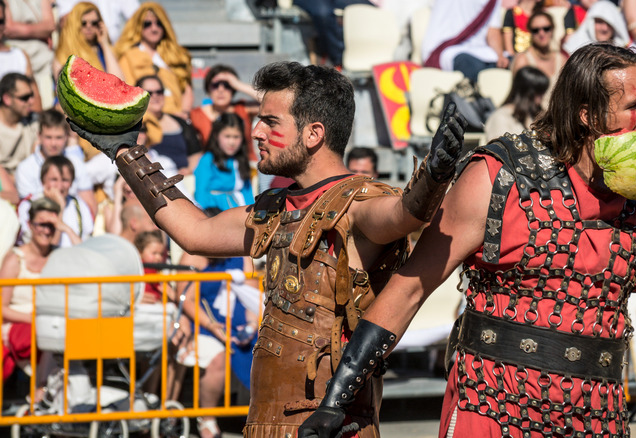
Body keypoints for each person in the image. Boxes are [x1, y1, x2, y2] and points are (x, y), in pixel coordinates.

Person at [299, 43, 636, 438]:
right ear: (588, 116)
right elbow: (410, 287)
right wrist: (337, 397)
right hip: (493, 408)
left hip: (597, 417)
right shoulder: (503, 176)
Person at [68, 61, 467, 436]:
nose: (256, 132)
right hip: (264, 420)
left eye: (270, 122)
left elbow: (401, 214)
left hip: (330, 425)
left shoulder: (358, 202)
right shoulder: (275, 207)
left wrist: (433, 175)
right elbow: (195, 233)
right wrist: (125, 152)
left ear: (314, 134)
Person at [173, 208, 260, 438]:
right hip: (203, 321)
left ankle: (262, 417)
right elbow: (185, 298)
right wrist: (214, 327)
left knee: (268, 350)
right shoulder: (193, 255)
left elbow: (252, 296)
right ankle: (207, 419)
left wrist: (251, 326)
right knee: (218, 358)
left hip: (241, 321)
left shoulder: (239, 254)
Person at [0, 196, 58, 380]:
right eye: (41, 224)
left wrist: (66, 229)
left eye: (51, 226)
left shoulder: (59, 257)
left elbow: (84, 259)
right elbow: (1, 307)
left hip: (49, 324)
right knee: (49, 333)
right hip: (19, 324)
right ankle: (40, 391)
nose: (46, 230)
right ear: (30, 225)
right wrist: (32, 318)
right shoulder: (15, 259)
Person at [114, 2, 192, 116]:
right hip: (145, 121)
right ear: (138, 27)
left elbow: (187, 90)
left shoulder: (175, 56)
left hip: (177, 118)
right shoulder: (128, 57)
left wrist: (184, 115)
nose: (154, 28)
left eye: (159, 23)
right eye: (147, 24)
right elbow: (126, 95)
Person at [15, 109, 96, 215]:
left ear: (67, 136)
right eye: (48, 137)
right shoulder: (25, 169)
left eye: (59, 137)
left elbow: (90, 207)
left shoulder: (76, 163)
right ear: (39, 136)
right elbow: (28, 211)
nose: (53, 143)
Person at [422, 0, 508, 83]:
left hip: (481, 51)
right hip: (446, 49)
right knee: (473, 67)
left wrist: (500, 56)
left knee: (511, 63)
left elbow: (493, 32)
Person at [18, 156, 93, 247]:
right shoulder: (28, 206)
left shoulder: (79, 206)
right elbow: (46, 249)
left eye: (65, 180)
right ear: (43, 181)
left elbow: (85, 246)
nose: (59, 186)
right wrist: (59, 207)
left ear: (71, 182)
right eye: (54, 179)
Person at [189, 64, 259, 160]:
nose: (221, 90)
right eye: (215, 85)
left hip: (245, 169)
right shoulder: (196, 114)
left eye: (227, 85)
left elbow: (271, 101)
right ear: (208, 88)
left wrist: (238, 84)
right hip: (213, 170)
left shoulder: (243, 108)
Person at [136, 74, 201, 175]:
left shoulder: (180, 122)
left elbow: (195, 153)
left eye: (159, 92)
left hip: (183, 181)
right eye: (149, 93)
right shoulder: (135, 126)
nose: (155, 96)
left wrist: (190, 170)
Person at [194, 113, 254, 211]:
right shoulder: (208, 159)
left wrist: (253, 212)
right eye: (227, 136)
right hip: (216, 211)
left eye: (236, 137)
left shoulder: (240, 159)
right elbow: (201, 193)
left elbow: (247, 192)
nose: (232, 142)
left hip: (241, 209)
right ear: (216, 135)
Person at [2, 0, 54, 109]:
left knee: (46, 106)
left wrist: (23, 29)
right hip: (18, 59)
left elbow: (50, 25)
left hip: (44, 63)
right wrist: (41, 33)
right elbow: (8, 28)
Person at [53, 1, 125, 80]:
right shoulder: (63, 54)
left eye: (94, 23)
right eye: (83, 23)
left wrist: (105, 44)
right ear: (74, 24)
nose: (89, 26)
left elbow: (119, 81)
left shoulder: (103, 50)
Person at [510, 11, 567, 108]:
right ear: (530, 32)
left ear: (553, 29)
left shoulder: (562, 60)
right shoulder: (523, 60)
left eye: (546, 28)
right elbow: (519, 98)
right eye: (535, 30)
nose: (541, 33)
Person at [483, 65, 548, 140]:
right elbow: (497, 148)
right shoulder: (501, 117)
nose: (542, 97)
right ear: (528, 94)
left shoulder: (535, 115)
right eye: (539, 93)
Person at [0, 72, 38, 173]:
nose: (31, 101)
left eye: (31, 95)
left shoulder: (34, 121)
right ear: (7, 99)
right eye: (24, 97)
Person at [562, 0, 630, 56]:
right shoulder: (572, 52)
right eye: (600, 22)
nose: (604, 28)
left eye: (609, 24)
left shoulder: (625, 55)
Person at [135, 229, 166, 303]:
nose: (158, 257)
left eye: (161, 254)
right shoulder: (145, 268)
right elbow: (159, 286)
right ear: (140, 251)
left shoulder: (154, 269)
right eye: (154, 253)